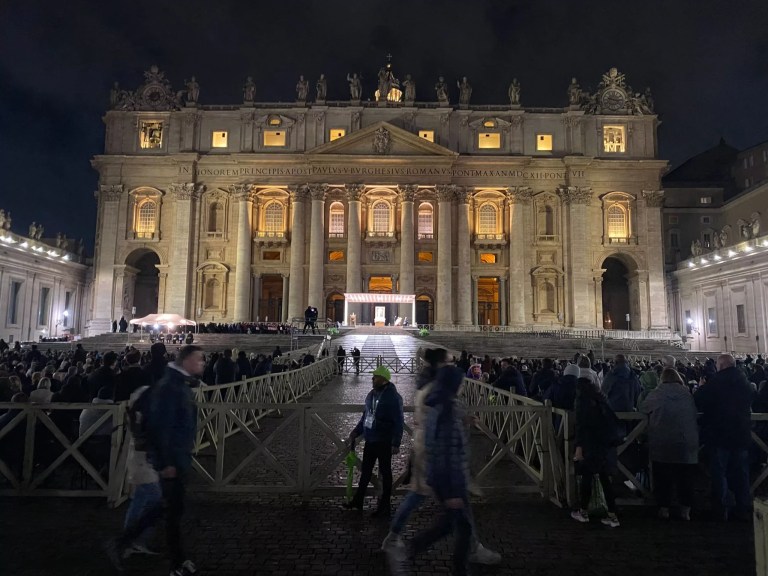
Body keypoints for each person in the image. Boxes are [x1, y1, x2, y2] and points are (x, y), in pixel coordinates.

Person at [382, 348, 500, 566]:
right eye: (447, 362)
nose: (451, 365)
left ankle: (394, 537)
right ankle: (470, 549)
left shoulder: (428, 386)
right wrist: (458, 417)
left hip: (426, 449)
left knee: (417, 496)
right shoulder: (434, 389)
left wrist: (462, 418)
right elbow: (438, 418)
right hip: (434, 452)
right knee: (457, 503)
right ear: (439, 364)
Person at [106, 345, 204, 575]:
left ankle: (130, 543)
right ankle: (132, 545)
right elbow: (161, 427)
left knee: (168, 509)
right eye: (199, 359)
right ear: (187, 360)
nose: (203, 363)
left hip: (177, 457)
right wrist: (166, 462)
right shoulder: (171, 386)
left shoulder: (180, 384)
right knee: (169, 510)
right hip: (172, 459)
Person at [387, 364, 472, 576]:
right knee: (451, 526)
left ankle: (455, 567)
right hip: (450, 482)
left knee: (458, 526)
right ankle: (410, 551)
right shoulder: (445, 410)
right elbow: (444, 449)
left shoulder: (440, 404)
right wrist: (451, 490)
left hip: (448, 478)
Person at [695, 353, 753, 521]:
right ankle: (743, 508)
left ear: (720, 366)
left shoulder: (716, 382)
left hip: (719, 434)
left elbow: (699, 399)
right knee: (742, 473)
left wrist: (701, 387)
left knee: (719, 473)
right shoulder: (745, 382)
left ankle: (722, 509)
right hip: (741, 434)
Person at [344, 365, 404, 517]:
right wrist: (356, 431)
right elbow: (366, 416)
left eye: (375, 376)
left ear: (383, 379)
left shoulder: (393, 397)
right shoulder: (371, 394)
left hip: (384, 440)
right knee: (365, 472)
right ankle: (358, 501)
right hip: (371, 439)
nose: (372, 378)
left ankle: (384, 506)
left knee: (386, 473)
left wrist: (396, 443)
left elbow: (398, 421)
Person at [640, 368, 698, 520]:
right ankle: (686, 510)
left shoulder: (657, 393)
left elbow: (643, 408)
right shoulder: (687, 393)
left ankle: (664, 508)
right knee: (685, 477)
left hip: (662, 441)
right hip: (685, 442)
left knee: (662, 477)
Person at [570, 377, 621, 528]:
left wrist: (579, 447)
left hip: (590, 443)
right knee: (605, 479)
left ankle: (583, 511)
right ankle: (612, 515)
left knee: (587, 477)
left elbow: (581, 425)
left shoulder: (582, 402)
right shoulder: (601, 398)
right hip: (604, 443)